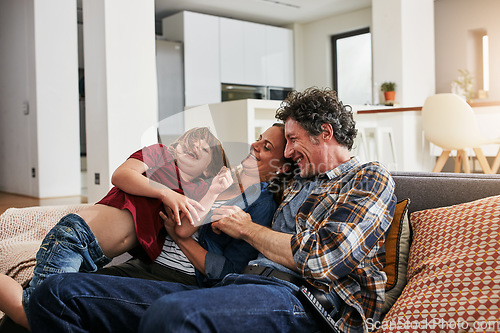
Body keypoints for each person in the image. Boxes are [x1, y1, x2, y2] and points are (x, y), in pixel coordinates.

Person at [27, 87, 396, 333]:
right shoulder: (293, 180)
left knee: (170, 316)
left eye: (293, 140)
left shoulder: (368, 178)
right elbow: (247, 175)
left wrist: (245, 228)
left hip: (304, 301)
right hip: (241, 285)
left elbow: (324, 259)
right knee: (56, 292)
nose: (287, 151)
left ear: (326, 133)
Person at [0, 126, 233, 329]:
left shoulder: (189, 194)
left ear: (206, 170)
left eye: (204, 149)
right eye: (191, 141)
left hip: (95, 257)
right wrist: (165, 192)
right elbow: (121, 175)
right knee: (39, 313)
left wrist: (212, 191)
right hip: (76, 237)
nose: (195, 145)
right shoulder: (159, 154)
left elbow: (184, 230)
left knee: (56, 311)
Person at [96, 123, 296, 288]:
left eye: (267, 147)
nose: (254, 144)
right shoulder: (216, 178)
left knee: (76, 288)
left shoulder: (261, 206)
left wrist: (179, 237)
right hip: (148, 259)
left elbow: (228, 271)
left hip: (176, 276)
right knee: (79, 279)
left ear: (281, 168)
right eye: (259, 138)